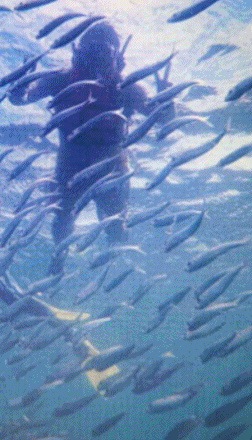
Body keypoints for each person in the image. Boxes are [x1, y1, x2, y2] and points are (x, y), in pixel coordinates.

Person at [9, 22, 161, 275]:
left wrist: (167, 100)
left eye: (103, 53)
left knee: (116, 228)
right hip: (69, 165)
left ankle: (113, 271)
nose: (95, 61)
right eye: (91, 51)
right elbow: (19, 99)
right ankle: (58, 263)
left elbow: (163, 118)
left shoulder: (128, 88)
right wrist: (20, 83)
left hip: (112, 168)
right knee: (62, 218)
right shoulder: (60, 80)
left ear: (117, 58)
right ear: (77, 51)